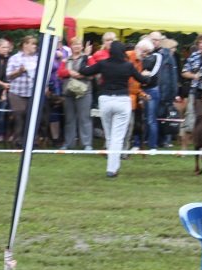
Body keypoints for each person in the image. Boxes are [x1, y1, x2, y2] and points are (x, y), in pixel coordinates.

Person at [79, 40, 150, 178]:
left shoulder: (103, 64)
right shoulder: (128, 66)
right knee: (118, 137)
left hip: (105, 100)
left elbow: (84, 70)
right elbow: (143, 80)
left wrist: (85, 56)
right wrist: (148, 76)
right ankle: (112, 169)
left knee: (110, 136)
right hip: (122, 101)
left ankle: (112, 167)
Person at [57, 37, 93, 150]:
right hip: (68, 92)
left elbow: (93, 71)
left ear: (82, 46)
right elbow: (60, 73)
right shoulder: (66, 60)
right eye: (74, 44)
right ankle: (69, 143)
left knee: (84, 118)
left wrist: (81, 75)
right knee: (69, 119)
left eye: (78, 44)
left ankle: (87, 144)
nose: (76, 46)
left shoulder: (88, 58)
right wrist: (70, 72)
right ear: (71, 46)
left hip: (84, 92)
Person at [6, 35, 39, 147]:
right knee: (19, 117)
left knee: (32, 117)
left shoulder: (37, 59)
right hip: (17, 93)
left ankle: (31, 141)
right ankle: (17, 141)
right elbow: (8, 76)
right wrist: (19, 71)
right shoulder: (14, 58)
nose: (35, 46)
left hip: (32, 93)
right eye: (32, 44)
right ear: (25, 44)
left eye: (35, 44)